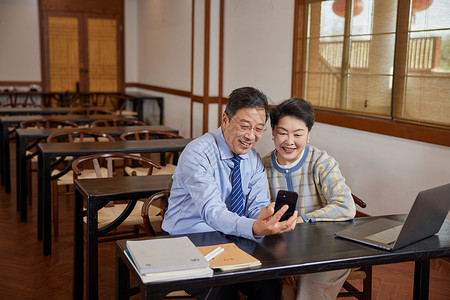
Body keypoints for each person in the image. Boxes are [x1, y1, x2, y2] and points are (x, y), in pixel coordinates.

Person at [162, 87, 297, 300]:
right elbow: (212, 212)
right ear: (225, 120)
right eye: (244, 126)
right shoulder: (198, 153)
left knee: (270, 286)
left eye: (259, 129)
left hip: (233, 239)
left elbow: (255, 207)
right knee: (222, 294)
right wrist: (253, 226)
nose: (251, 136)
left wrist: (266, 218)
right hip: (189, 238)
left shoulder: (252, 159)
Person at [262, 97, 356, 300]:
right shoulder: (261, 168)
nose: (290, 141)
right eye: (283, 133)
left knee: (310, 284)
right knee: (281, 288)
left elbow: (345, 205)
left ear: (308, 134)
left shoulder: (321, 162)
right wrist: (284, 262)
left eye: (298, 134)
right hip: (280, 251)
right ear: (273, 132)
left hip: (325, 248)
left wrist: (304, 219)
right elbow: (258, 219)